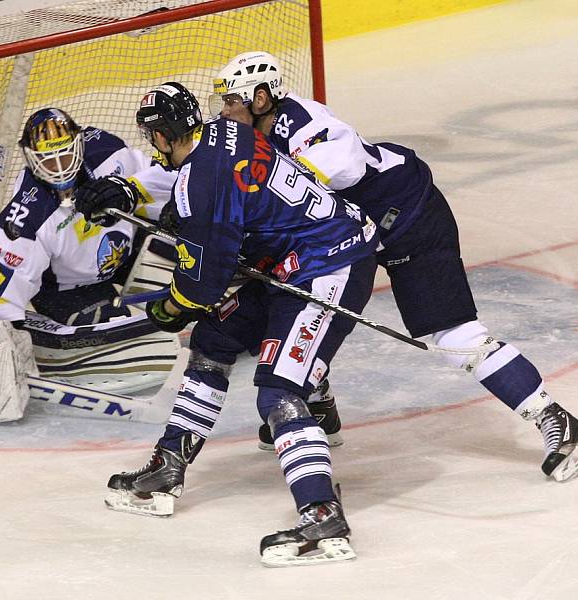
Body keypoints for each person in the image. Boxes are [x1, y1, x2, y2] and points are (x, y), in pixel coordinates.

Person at [208, 51, 578, 481]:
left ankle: (560, 424)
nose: (225, 112)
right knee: (288, 303)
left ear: (261, 99)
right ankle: (318, 407)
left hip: (409, 218)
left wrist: (284, 179)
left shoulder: (303, 121)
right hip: (351, 236)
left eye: (233, 102)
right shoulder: (250, 138)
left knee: (456, 336)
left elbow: (347, 163)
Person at [103, 81, 380, 567]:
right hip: (295, 258)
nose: (153, 146)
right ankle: (169, 466)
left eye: (154, 137)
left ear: (165, 136)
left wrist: (168, 308)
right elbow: (229, 195)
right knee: (214, 337)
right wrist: (186, 219)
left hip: (329, 265)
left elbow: (203, 285)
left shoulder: (201, 182)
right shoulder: (225, 132)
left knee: (278, 391)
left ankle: (322, 515)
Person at [0, 107, 177, 394]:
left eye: (65, 155)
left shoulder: (107, 152)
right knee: (118, 331)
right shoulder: (27, 215)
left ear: (79, 144)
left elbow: (169, 183)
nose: (60, 167)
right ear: (31, 159)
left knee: (193, 269)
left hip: (127, 254)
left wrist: (137, 196)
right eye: (48, 161)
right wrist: (0, 347)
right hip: (69, 289)